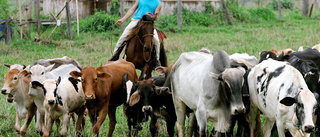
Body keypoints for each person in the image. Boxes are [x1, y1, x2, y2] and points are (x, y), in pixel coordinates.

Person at [112, 0, 162, 64]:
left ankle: (156, 61)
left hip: (148, 23)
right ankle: (114, 57)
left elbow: (156, 17)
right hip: (136, 20)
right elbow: (132, 10)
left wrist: (152, 16)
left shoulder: (158, 3)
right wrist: (123, 19)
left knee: (157, 41)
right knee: (123, 36)